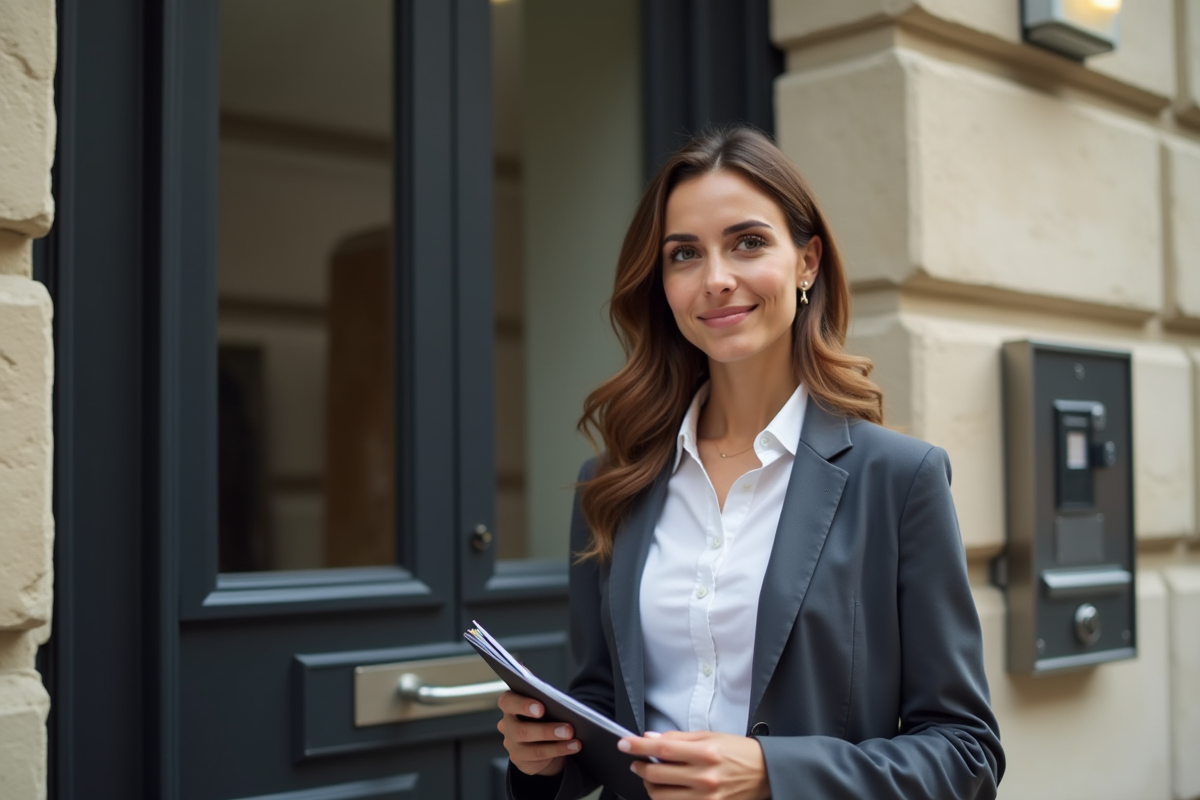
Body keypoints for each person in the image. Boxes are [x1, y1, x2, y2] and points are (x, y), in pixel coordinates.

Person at [496, 126, 1004, 800]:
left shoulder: (899, 480)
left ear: (807, 263)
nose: (716, 280)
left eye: (748, 242)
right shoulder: (611, 485)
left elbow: (966, 752)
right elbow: (602, 703)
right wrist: (547, 757)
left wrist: (773, 774)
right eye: (684, 254)